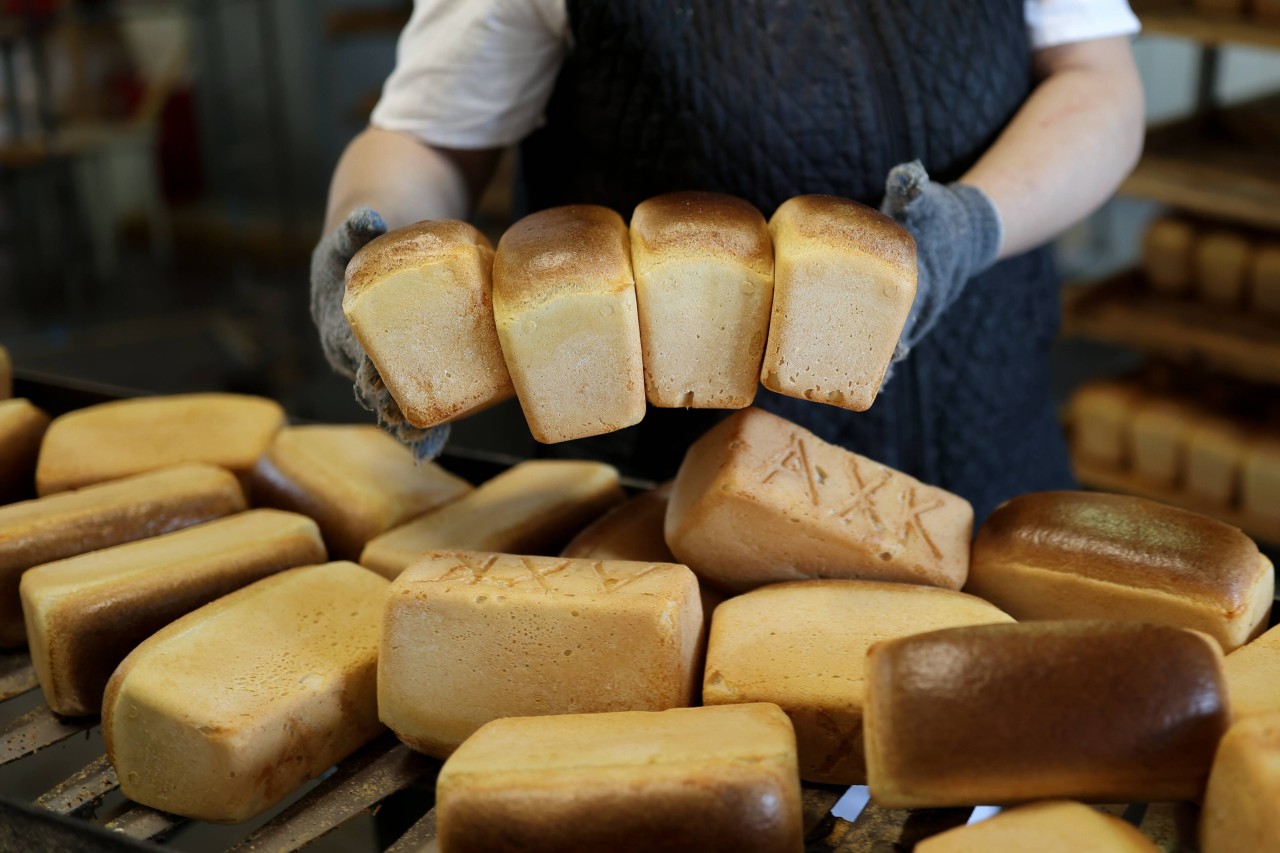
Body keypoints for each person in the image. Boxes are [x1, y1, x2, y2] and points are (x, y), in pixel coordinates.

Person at [311, 0, 1145, 523]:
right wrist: (377, 256)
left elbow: (1096, 83)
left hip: (990, 452)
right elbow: (426, 137)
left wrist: (970, 225)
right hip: (676, 506)